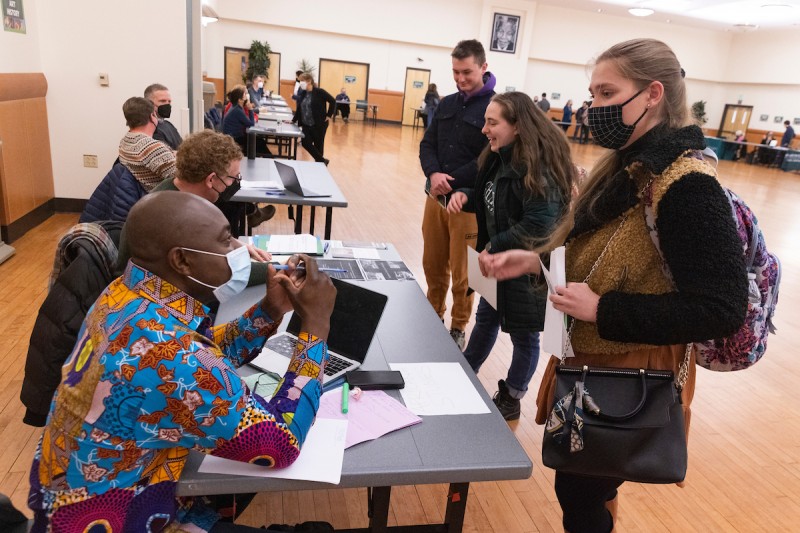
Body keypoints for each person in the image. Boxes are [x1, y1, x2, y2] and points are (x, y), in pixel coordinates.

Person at [479, 38, 748, 532]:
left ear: (652, 94)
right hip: (598, 362)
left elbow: (722, 307)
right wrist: (534, 260)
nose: (594, 107)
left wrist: (604, 310)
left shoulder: (686, 184)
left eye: (607, 93)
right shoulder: (628, 166)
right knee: (581, 488)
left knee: (583, 493)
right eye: (593, 94)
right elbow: (601, 251)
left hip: (629, 374)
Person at [27, 190, 337, 532]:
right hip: (126, 518)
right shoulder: (168, 353)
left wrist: (271, 310)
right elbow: (280, 444)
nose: (238, 250)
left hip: (87, 498)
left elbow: (204, 356)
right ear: (182, 261)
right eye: (225, 242)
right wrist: (317, 324)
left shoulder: (125, 294)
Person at [446, 92, 572, 419]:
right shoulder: (498, 156)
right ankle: (466, 369)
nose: (485, 129)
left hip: (525, 267)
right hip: (498, 262)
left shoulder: (538, 167)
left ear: (516, 126)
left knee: (524, 335)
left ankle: (512, 397)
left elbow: (539, 224)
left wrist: (495, 244)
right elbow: (493, 197)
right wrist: (466, 196)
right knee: (486, 318)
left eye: (492, 122)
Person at [419, 39, 497, 350]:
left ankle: (458, 326)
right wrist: (433, 174)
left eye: (467, 72)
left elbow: (490, 158)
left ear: (483, 67)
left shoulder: (496, 108)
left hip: (467, 205)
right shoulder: (447, 103)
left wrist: (454, 183)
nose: (460, 79)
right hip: (435, 199)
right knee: (433, 264)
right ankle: (432, 316)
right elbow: (427, 144)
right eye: (455, 72)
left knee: (463, 273)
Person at [118, 130, 275, 268]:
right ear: (210, 180)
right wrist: (278, 267)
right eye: (233, 178)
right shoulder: (182, 218)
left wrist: (235, 244)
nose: (235, 182)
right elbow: (222, 272)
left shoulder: (172, 188)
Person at [118, 96, 176, 191]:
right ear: (152, 116)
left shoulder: (126, 140)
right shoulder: (152, 148)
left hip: (145, 199)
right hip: (162, 199)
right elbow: (183, 178)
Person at [292, 73, 336, 165]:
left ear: (309, 81)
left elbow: (333, 101)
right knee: (305, 142)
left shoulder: (319, 92)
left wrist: (329, 115)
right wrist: (293, 120)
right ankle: (322, 161)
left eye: (302, 81)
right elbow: (300, 108)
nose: (300, 83)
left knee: (318, 145)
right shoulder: (304, 93)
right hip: (306, 124)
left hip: (319, 124)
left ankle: (319, 165)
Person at [145, 83, 183, 150]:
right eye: (162, 101)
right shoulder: (150, 129)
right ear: (149, 103)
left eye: (169, 101)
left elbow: (183, 149)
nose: (167, 104)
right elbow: (166, 155)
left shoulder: (168, 124)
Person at [222, 86, 256, 153]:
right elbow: (251, 124)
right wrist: (250, 109)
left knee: (259, 141)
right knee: (257, 142)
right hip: (234, 139)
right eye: (244, 95)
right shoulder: (237, 110)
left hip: (234, 136)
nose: (246, 96)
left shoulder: (236, 107)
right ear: (239, 100)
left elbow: (248, 122)